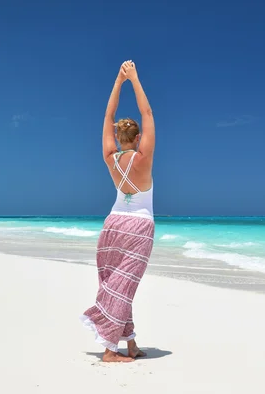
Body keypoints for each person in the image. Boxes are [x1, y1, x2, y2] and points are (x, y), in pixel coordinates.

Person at [79, 60, 156, 363]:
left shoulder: (110, 157)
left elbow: (108, 114)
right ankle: (110, 350)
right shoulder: (143, 158)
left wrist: (118, 81)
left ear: (118, 137)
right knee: (123, 287)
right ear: (137, 138)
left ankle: (131, 344)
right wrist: (134, 79)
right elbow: (147, 113)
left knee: (118, 284)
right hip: (138, 228)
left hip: (112, 226)